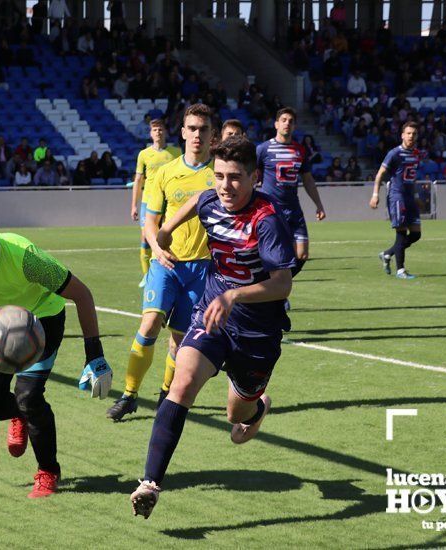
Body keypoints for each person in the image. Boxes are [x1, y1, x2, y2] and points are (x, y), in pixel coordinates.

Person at [129, 135, 295, 519]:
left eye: (235, 177)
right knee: (182, 383)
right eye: (219, 175)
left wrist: (235, 295)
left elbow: (282, 283)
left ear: (254, 177)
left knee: (236, 417)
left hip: (257, 333)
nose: (225, 185)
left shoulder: (266, 220)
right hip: (212, 313)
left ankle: (254, 412)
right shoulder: (209, 199)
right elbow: (184, 210)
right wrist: (163, 236)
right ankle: (150, 483)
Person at [0, 206, 112, 498]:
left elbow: (82, 294)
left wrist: (95, 354)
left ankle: (48, 471)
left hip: (42, 321)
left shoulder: (26, 257)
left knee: (29, 398)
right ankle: (20, 415)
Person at [107, 104, 214, 422]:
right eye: (191, 128)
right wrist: (156, 246)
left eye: (203, 129)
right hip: (165, 264)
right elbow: (150, 221)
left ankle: (166, 394)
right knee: (150, 323)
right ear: (182, 132)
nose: (197, 134)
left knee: (180, 339)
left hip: (202, 269)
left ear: (212, 134)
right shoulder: (166, 173)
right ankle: (129, 394)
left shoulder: (218, 175)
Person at [256, 107, 326, 279]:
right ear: (276, 124)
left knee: (302, 254)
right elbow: (252, 176)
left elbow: (308, 180)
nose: (287, 123)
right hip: (271, 210)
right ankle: (273, 290)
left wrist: (318, 204)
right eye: (284, 120)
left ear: (295, 126)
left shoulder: (300, 150)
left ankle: (277, 285)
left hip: (294, 210)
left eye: (291, 121)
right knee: (272, 255)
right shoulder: (263, 149)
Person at [130, 119, 181, 282]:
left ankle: (166, 270)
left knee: (169, 236)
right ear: (150, 133)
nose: (158, 132)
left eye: (160, 129)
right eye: (155, 130)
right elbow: (138, 181)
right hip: (148, 201)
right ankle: (147, 276)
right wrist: (134, 206)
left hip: (169, 201)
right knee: (146, 237)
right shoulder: (144, 155)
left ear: (165, 132)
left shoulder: (176, 152)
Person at [370, 122, 422, 280]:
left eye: (414, 133)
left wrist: (417, 196)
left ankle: (387, 254)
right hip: (396, 196)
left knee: (416, 234)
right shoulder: (394, 153)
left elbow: (412, 178)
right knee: (401, 232)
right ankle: (401, 270)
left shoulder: (416, 154)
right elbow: (380, 174)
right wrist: (375, 194)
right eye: (408, 133)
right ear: (402, 135)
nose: (411, 136)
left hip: (409, 197)